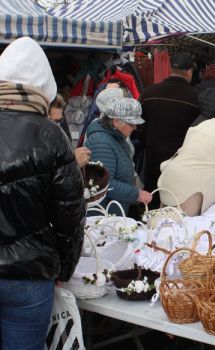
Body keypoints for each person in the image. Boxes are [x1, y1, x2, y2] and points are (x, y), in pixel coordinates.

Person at [0, 37, 86, 349]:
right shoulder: (52, 136)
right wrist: (65, 267)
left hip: (30, 274)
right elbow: (70, 216)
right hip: (30, 276)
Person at [140, 52, 199, 208]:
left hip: (152, 158)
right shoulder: (195, 99)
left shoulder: (148, 93)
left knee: (151, 200)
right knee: (174, 204)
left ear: (171, 70)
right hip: (179, 161)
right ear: (189, 72)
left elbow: (139, 126)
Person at [85, 97, 153, 215]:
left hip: (112, 213)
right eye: (131, 123)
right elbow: (104, 183)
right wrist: (137, 194)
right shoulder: (102, 142)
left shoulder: (117, 138)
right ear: (115, 121)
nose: (135, 127)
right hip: (102, 217)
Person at [48, 93, 92, 167]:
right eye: (54, 121)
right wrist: (73, 163)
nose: (57, 125)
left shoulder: (62, 123)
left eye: (59, 120)